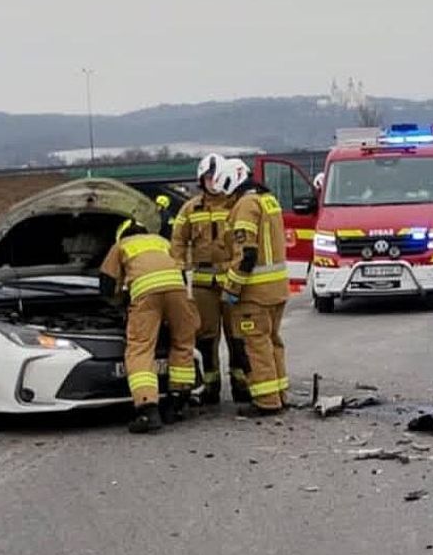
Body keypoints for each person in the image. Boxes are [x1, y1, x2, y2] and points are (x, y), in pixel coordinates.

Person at [100, 218, 199, 433]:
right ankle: (177, 402)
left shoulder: (122, 245)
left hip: (146, 296)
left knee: (140, 348)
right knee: (182, 342)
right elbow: (181, 272)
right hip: (178, 291)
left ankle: (148, 409)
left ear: (121, 235)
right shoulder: (162, 242)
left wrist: (119, 303)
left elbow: (106, 283)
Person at [212, 158, 290, 416]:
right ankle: (280, 394)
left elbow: (246, 254)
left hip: (255, 293)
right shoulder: (268, 200)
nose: (228, 199)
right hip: (277, 289)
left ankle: (266, 401)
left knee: (256, 345)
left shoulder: (246, 205)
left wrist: (231, 289)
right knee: (272, 342)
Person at [169, 153, 248, 405]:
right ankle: (210, 385)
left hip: (233, 282)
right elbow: (178, 241)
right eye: (208, 177)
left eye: (216, 176)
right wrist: (178, 269)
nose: (213, 182)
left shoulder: (237, 205)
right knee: (205, 336)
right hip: (204, 284)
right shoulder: (191, 208)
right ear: (201, 180)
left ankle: (242, 384)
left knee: (238, 334)